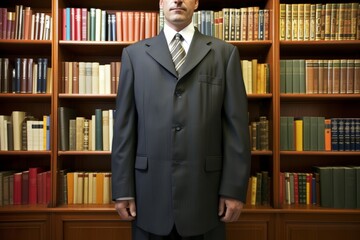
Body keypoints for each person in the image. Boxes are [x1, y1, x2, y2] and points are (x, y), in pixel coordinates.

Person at [111, 0, 251, 239]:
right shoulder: (134, 55)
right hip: (149, 196)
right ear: (161, 3)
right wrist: (122, 189)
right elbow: (124, 128)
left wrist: (234, 190)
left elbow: (236, 127)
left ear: (195, 3)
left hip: (206, 197)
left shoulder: (224, 53)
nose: (177, 0)